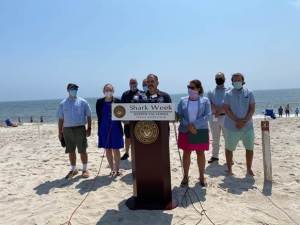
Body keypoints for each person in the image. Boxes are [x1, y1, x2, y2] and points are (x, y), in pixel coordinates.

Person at [177, 79, 211, 187]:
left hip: (199, 131)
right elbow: (179, 115)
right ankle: (185, 176)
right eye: (189, 87)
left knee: (200, 153)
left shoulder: (205, 100)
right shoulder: (182, 100)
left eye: (192, 87)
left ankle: (201, 176)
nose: (190, 89)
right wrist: (188, 125)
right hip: (185, 130)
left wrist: (194, 125)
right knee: (186, 153)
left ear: (198, 89)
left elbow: (208, 115)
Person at [57, 83, 92, 179]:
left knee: (82, 150)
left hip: (80, 128)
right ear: (68, 90)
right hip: (67, 129)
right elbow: (60, 119)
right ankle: (73, 169)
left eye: (75, 89)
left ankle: (85, 169)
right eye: (72, 89)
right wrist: (60, 132)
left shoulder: (83, 102)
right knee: (71, 150)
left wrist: (89, 128)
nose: (74, 90)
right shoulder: (63, 103)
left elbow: (89, 115)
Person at [223, 73, 256, 176]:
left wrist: (244, 121)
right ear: (232, 82)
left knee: (250, 148)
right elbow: (226, 109)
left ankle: (249, 169)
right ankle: (229, 169)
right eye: (235, 80)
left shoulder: (249, 93)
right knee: (229, 148)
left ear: (243, 81)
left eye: (239, 80)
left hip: (248, 127)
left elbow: (252, 108)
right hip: (232, 126)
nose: (237, 82)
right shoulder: (228, 94)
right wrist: (237, 120)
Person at [96, 84, 124, 177]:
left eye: (110, 90)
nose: (108, 91)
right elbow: (99, 117)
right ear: (103, 91)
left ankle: (117, 169)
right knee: (107, 149)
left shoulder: (118, 101)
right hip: (104, 128)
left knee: (116, 149)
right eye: (107, 90)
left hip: (116, 127)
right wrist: (99, 130)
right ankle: (112, 169)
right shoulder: (99, 102)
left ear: (113, 91)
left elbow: (122, 114)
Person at [120, 78, 145, 160]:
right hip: (128, 121)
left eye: (134, 83)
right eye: (131, 83)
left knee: (139, 137)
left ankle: (139, 152)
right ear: (129, 84)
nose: (133, 84)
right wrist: (123, 119)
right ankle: (126, 153)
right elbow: (121, 107)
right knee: (127, 137)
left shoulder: (142, 93)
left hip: (139, 121)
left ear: (137, 84)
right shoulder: (125, 94)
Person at [207, 72, 228, 163]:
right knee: (215, 138)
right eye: (217, 78)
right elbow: (210, 103)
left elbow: (228, 104)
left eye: (220, 77)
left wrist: (219, 111)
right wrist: (216, 111)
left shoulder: (229, 90)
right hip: (214, 117)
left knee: (228, 138)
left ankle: (229, 158)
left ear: (224, 79)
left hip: (226, 117)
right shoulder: (211, 91)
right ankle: (215, 156)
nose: (219, 79)